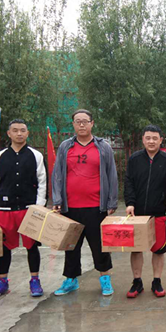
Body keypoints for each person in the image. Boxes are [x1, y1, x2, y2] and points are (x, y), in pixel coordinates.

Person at [52, 109, 118, 296]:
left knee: (100, 246)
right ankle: (71, 280)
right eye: (77, 121)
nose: (81, 125)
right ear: (73, 124)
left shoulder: (103, 147)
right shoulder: (66, 146)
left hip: (96, 207)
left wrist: (112, 202)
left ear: (92, 123)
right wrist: (57, 199)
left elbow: (112, 175)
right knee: (71, 246)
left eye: (85, 121)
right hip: (70, 207)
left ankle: (105, 279)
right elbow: (57, 174)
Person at [0, 119, 47, 298]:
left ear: (27, 133)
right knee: (3, 247)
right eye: (15, 130)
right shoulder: (0, 157)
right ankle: (2, 282)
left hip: (29, 209)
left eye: (22, 130)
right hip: (5, 210)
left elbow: (42, 182)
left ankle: (35, 281)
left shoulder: (36, 156)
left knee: (32, 246)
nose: (19, 133)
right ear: (9, 133)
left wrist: (39, 207)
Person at [124, 125, 166, 298]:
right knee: (136, 249)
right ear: (143, 139)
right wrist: (130, 203)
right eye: (148, 138)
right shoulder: (134, 159)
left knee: (159, 249)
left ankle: (157, 281)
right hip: (137, 214)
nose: (151, 141)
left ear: (161, 140)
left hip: (158, 212)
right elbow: (129, 183)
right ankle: (137, 281)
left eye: (155, 138)